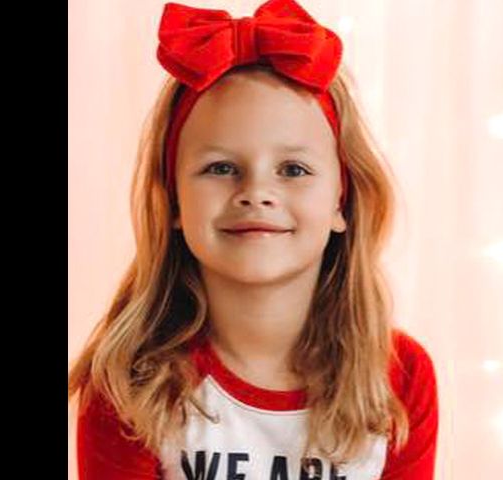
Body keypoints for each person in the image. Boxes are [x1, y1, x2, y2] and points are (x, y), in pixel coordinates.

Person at [67, 1, 439, 478]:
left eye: (293, 169)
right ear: (174, 201)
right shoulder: (127, 383)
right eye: (221, 167)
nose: (257, 192)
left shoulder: (400, 376)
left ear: (341, 202)